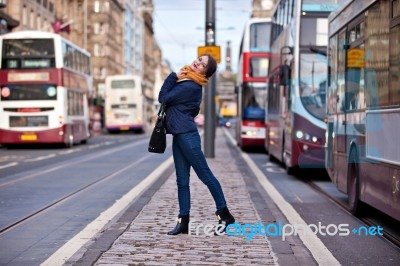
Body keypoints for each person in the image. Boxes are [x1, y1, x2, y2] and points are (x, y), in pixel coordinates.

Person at [158, 54, 235, 235]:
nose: (197, 62)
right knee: (182, 181)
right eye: (199, 59)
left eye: (202, 64)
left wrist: (172, 76)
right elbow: (191, 109)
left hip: (188, 137)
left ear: (205, 73)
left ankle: (225, 215)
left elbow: (163, 97)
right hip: (179, 135)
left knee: (205, 175)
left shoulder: (190, 85)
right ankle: (183, 221)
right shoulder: (188, 82)